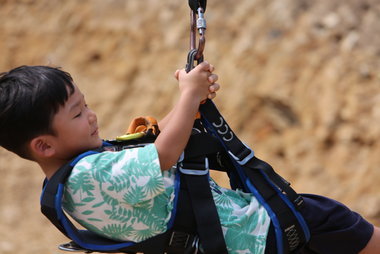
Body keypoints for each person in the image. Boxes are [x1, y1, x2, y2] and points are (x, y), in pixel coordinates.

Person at [0, 64, 379, 254]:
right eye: (78, 113)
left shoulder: (75, 180)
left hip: (241, 240)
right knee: (345, 225)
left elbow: (154, 145)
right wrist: (187, 96)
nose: (92, 115)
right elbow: (163, 155)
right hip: (257, 231)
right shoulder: (88, 176)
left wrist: (190, 105)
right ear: (44, 145)